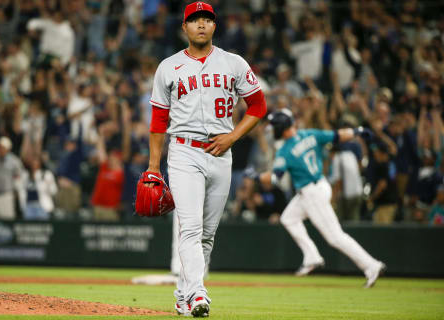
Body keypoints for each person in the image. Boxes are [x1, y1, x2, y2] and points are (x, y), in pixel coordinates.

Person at [146, 2, 267, 317]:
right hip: (184, 151)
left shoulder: (233, 63)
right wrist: (153, 166)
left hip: (221, 153)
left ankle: (183, 295)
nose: (201, 24)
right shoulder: (168, 67)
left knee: (207, 234)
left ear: (215, 26)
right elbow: (158, 122)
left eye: (207, 20)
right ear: (184, 27)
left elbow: (258, 106)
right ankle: (198, 294)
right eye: (194, 20)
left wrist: (233, 137)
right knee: (190, 227)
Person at [258, 109, 385, 288]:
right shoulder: (309, 133)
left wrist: (256, 177)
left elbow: (273, 179)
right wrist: (357, 131)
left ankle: (371, 265)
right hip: (319, 186)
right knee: (288, 218)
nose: (272, 130)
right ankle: (312, 256)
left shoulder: (285, 150)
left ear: (280, 128)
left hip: (311, 194)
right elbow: (338, 135)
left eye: (274, 126)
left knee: (335, 237)